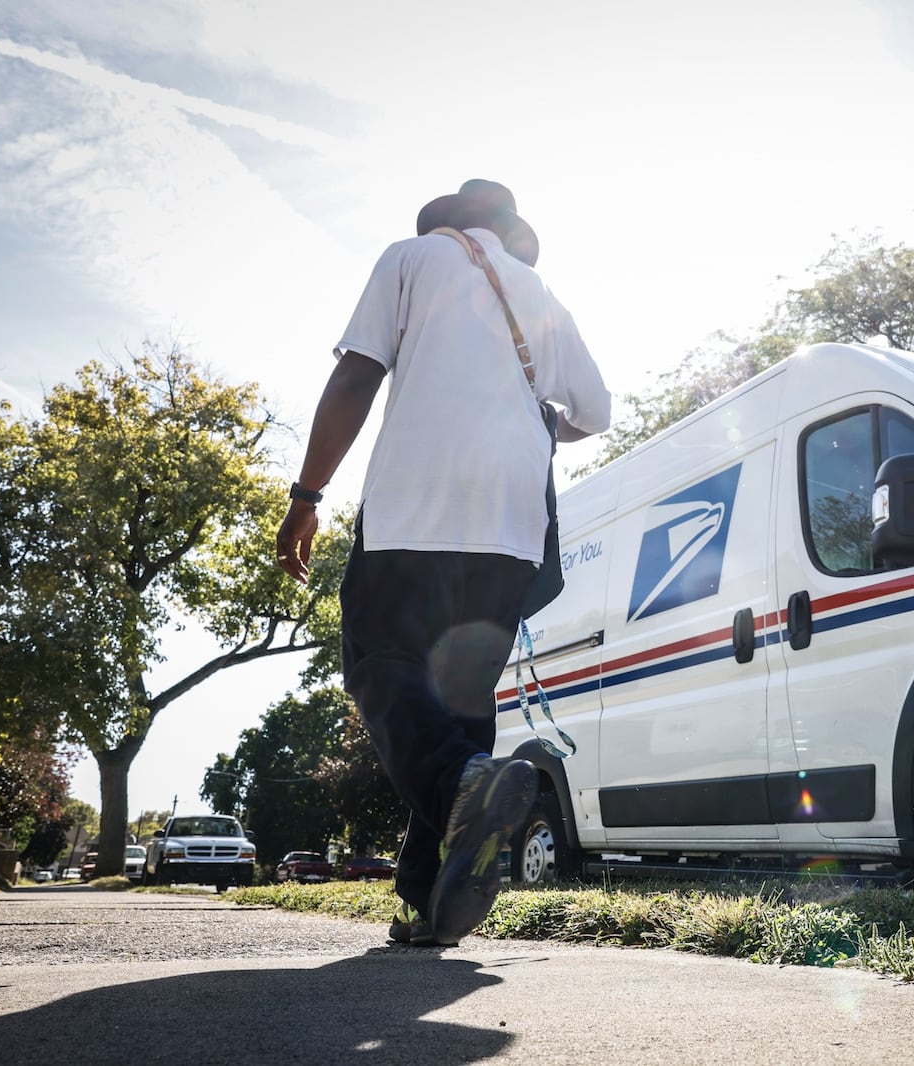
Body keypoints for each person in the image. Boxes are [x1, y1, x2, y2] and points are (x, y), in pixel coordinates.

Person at [275, 179, 611, 947]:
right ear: (508, 231)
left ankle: (463, 785)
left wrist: (307, 493)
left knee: (379, 659)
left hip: (415, 505)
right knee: (460, 701)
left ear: (451, 221)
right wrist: (540, 420)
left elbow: (358, 375)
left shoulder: (413, 258)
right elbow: (596, 412)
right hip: (514, 523)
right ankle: (430, 897)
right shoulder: (542, 295)